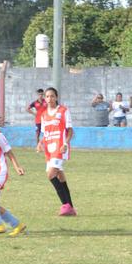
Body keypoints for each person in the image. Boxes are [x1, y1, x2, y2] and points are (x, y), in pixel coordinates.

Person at [38, 86, 77, 216]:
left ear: (56, 97)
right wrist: (40, 143)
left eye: (52, 96)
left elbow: (70, 130)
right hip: (49, 149)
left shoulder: (63, 111)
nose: (49, 98)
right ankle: (71, 207)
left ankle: (65, 205)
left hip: (60, 146)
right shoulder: (43, 114)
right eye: (47, 96)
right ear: (44, 98)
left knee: (50, 174)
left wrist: (66, 143)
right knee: (60, 176)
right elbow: (44, 132)